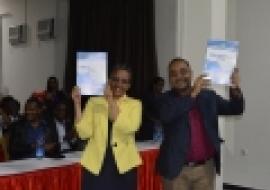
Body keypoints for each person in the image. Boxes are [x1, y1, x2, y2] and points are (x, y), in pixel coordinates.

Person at [156, 58, 245, 190]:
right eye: (173, 74)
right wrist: (193, 94)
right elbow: (167, 115)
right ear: (169, 79)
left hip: (205, 170)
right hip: (176, 171)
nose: (179, 76)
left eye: (183, 71)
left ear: (191, 73)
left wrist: (235, 88)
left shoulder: (207, 96)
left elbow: (235, 109)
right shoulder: (164, 100)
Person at [71, 64, 142, 190]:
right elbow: (84, 133)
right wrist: (77, 103)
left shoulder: (135, 104)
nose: (118, 84)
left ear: (129, 86)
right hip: (96, 164)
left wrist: (109, 100)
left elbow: (129, 127)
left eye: (124, 81)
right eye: (115, 79)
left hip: (124, 165)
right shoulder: (94, 102)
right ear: (109, 80)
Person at [136, 76, 165, 141]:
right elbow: (143, 110)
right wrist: (153, 119)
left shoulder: (163, 96)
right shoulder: (146, 96)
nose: (161, 87)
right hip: (148, 125)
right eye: (159, 85)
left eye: (162, 85)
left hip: (160, 126)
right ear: (154, 85)